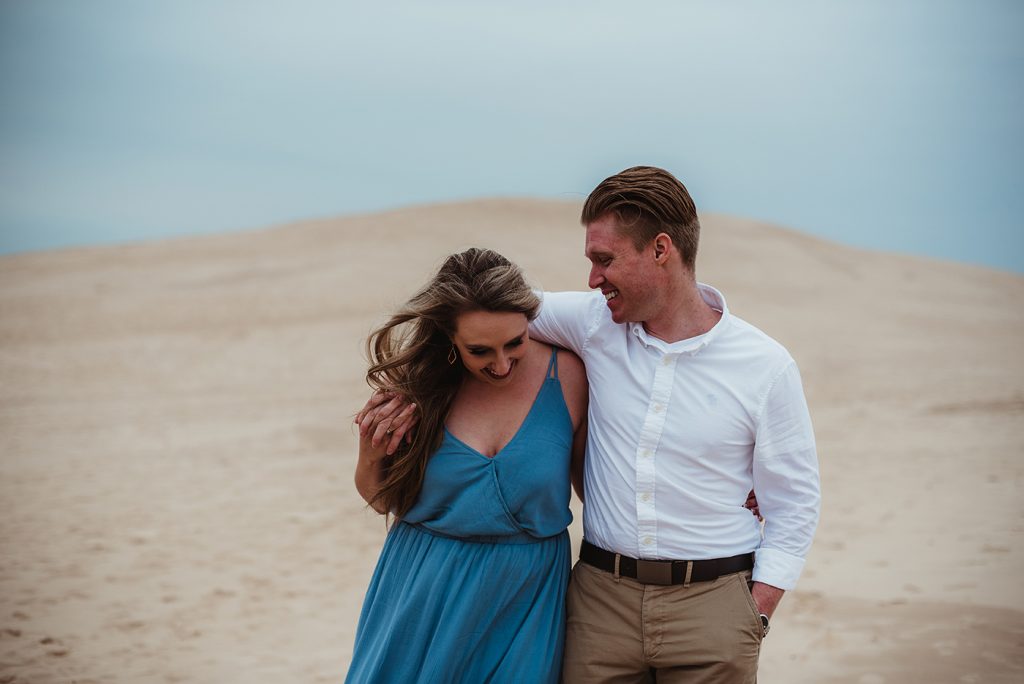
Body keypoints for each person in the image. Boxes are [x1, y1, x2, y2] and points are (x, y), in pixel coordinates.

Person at [528, 165, 821, 682]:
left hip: (714, 609)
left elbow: (794, 502)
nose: (593, 279)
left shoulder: (766, 366)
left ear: (661, 249)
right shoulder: (592, 322)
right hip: (599, 605)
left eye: (604, 260)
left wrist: (753, 614)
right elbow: (486, 309)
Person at [345, 247, 588, 683]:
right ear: (450, 341)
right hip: (423, 587)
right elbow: (381, 499)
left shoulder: (569, 376)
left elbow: (600, 486)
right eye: (480, 351)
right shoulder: (420, 389)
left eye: (515, 341)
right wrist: (370, 452)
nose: (501, 364)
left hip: (527, 596)